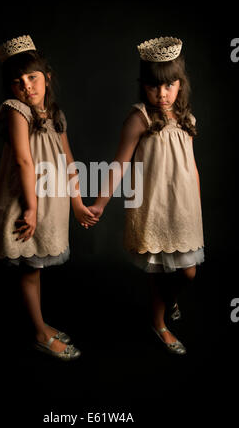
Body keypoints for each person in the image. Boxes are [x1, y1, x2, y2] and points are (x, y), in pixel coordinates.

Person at [88, 37, 204, 355]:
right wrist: (98, 204)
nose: (162, 94)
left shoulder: (186, 120)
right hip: (154, 208)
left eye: (169, 86)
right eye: (154, 87)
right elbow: (119, 165)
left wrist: (196, 207)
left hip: (183, 209)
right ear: (143, 86)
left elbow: (191, 168)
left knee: (188, 272)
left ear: (180, 85)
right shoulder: (140, 118)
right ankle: (159, 323)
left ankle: (170, 300)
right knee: (159, 271)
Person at [0, 35, 98, 360]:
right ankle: (39, 332)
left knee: (35, 265)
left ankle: (41, 324)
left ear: (46, 78)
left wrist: (77, 202)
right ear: (11, 88)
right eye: (17, 82)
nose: (26, 86)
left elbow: (67, 159)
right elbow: (24, 160)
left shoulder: (55, 114)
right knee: (29, 267)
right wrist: (31, 209)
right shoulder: (16, 110)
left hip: (52, 200)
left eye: (32, 78)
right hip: (27, 200)